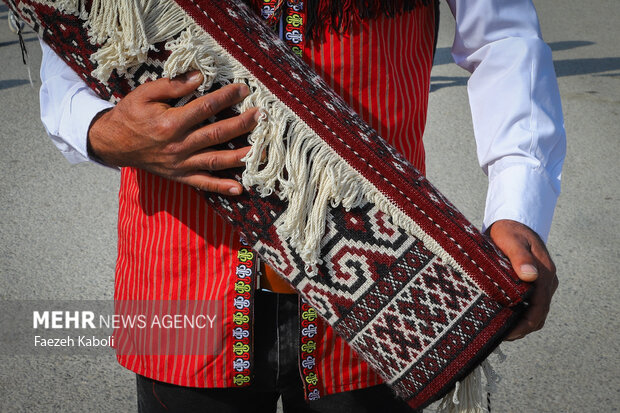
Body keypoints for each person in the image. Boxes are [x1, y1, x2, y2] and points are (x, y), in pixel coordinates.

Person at [38, 0, 565, 411]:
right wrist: (101, 131)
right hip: (178, 273)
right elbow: (70, 30)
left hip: (390, 282)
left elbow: (504, 35)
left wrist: (518, 202)